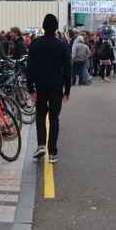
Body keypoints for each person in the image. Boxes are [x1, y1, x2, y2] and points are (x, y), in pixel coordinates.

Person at [27, 14, 72, 163]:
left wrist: (30, 89)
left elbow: (30, 68)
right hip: (56, 86)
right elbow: (67, 69)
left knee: (40, 115)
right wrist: (67, 90)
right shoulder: (62, 45)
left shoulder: (35, 44)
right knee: (54, 119)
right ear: (56, 27)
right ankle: (53, 153)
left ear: (43, 26)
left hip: (41, 86)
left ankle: (41, 145)